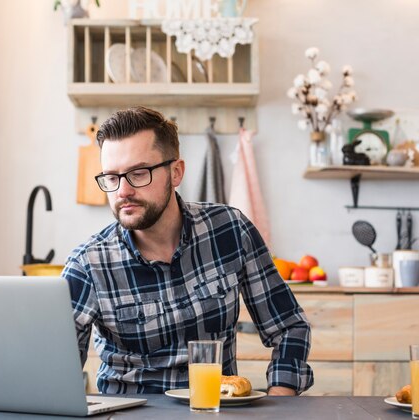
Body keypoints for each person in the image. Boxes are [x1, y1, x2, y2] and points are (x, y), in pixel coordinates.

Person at [62, 106, 313, 396]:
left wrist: (281, 404)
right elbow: (53, 370)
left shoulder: (230, 230)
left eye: (138, 173)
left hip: (215, 411)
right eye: (112, 177)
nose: (122, 191)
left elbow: (289, 327)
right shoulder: (88, 264)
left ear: (176, 172)